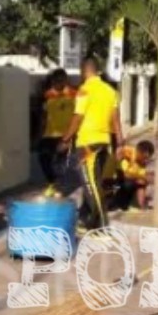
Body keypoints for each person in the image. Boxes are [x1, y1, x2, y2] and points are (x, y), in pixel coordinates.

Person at [60, 55, 122, 234]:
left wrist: (65, 139)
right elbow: (115, 119)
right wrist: (119, 143)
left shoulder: (84, 90)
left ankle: (102, 227)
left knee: (91, 186)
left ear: (84, 71)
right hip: (104, 142)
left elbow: (77, 117)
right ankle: (88, 221)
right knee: (94, 184)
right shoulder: (110, 91)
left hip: (87, 144)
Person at [37, 69, 77, 197]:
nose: (58, 83)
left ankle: (58, 187)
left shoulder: (73, 94)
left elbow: (78, 116)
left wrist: (72, 136)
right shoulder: (47, 95)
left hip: (65, 135)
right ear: (52, 81)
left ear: (65, 80)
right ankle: (52, 182)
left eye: (61, 80)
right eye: (55, 80)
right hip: (49, 134)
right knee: (43, 158)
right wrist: (39, 134)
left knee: (60, 163)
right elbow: (43, 116)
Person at [111, 140, 155, 212]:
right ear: (139, 152)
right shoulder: (129, 152)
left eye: (147, 158)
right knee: (140, 180)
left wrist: (148, 176)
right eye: (144, 157)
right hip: (115, 178)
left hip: (126, 181)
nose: (146, 160)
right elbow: (126, 174)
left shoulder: (141, 162)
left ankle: (140, 205)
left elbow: (140, 175)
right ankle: (135, 205)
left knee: (142, 181)